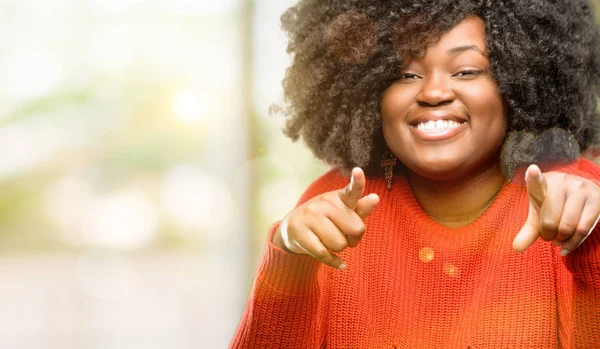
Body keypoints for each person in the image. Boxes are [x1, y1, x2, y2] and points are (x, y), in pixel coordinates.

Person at [230, 0, 600, 347]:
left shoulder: (574, 197)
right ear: (368, 89)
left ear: (518, 83)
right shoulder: (334, 205)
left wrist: (591, 244)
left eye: (467, 71)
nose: (434, 92)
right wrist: (290, 258)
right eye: (405, 75)